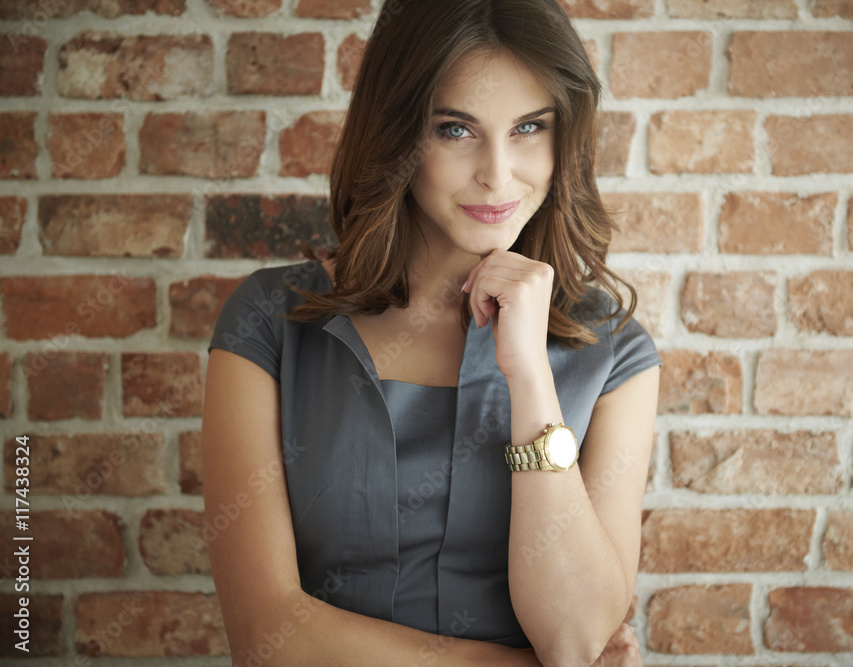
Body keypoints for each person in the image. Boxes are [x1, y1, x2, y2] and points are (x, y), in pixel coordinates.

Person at [202, 0, 660, 665]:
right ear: (397, 134)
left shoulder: (615, 353)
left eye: (530, 126)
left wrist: (529, 375)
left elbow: (575, 635)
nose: (499, 174)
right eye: (455, 129)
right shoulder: (267, 323)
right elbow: (267, 634)